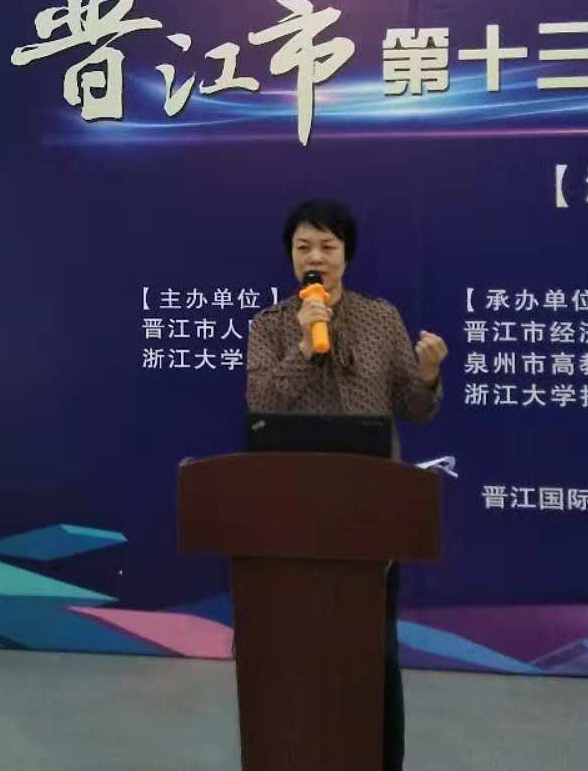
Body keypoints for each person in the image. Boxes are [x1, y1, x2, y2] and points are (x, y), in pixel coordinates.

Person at [244, 198, 446, 771]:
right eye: (303, 247)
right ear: (291, 257)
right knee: (297, 655)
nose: (315, 257)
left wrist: (428, 375)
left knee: (375, 655)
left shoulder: (381, 319)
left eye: (327, 247)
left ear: (345, 257)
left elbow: (414, 408)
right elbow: (260, 403)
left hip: (371, 516)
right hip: (294, 515)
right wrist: (304, 346)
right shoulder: (269, 326)